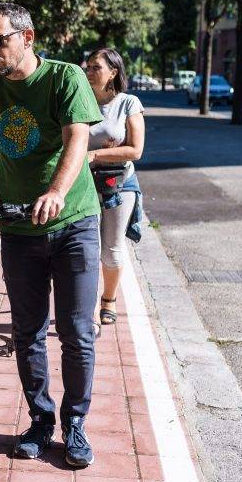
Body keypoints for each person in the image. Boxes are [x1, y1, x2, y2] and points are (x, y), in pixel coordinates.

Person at [0, 2, 103, 468]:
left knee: (78, 333)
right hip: (20, 225)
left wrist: (57, 191)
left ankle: (75, 422)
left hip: (73, 222)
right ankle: (41, 421)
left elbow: (77, 138)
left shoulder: (64, 78)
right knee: (27, 332)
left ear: (28, 37)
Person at [84, 48, 145, 326]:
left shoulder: (128, 103)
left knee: (112, 248)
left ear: (113, 72)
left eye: (96, 67)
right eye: (88, 67)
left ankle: (108, 300)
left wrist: (96, 155)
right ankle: (85, 305)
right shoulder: (80, 100)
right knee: (84, 247)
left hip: (119, 184)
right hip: (83, 184)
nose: (89, 72)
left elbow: (135, 150)